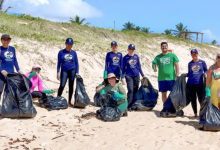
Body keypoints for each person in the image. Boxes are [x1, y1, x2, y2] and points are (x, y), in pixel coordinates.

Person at [57, 38, 79, 106]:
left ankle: (69, 101)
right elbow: (59, 63)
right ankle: (58, 98)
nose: (69, 45)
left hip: (72, 70)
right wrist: (58, 72)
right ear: (65, 44)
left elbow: (76, 63)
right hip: (64, 71)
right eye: (68, 44)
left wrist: (77, 72)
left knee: (71, 86)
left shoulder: (74, 53)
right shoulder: (61, 52)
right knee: (62, 85)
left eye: (71, 44)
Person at [122, 44, 145, 108]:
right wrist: (122, 77)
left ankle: (133, 104)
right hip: (128, 76)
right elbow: (123, 68)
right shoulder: (125, 58)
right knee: (130, 90)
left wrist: (143, 75)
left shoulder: (136, 56)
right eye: (130, 49)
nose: (131, 50)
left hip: (136, 76)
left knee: (135, 90)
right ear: (128, 49)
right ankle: (128, 105)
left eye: (132, 49)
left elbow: (139, 66)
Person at [186, 49, 207, 117]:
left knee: (201, 99)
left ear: (197, 54)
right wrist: (185, 75)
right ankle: (195, 114)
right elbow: (189, 73)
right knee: (193, 99)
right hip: (191, 84)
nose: (194, 55)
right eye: (193, 54)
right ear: (191, 55)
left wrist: (205, 74)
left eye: (195, 53)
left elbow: (206, 70)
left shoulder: (202, 62)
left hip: (200, 84)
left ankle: (202, 113)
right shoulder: (190, 63)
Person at [0, 34, 22, 99]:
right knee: (0, 90)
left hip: (10, 74)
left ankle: (6, 107)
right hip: (1, 74)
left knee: (8, 91)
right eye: (4, 39)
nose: (6, 41)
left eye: (8, 39)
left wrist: (18, 69)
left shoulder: (12, 49)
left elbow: (14, 60)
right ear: (1, 40)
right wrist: (1, 70)